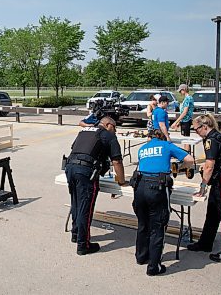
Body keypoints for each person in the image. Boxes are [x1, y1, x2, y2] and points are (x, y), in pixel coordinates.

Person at [133, 129, 194, 276]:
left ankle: (141, 257)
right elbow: (190, 160)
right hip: (157, 187)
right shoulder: (166, 145)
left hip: (139, 187)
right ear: (162, 137)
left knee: (143, 223)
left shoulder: (142, 149)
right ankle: (154, 266)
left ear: (149, 137)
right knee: (158, 226)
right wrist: (178, 167)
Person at [64, 116, 126, 255]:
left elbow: (75, 148)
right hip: (85, 172)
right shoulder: (109, 136)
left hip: (70, 168)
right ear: (109, 125)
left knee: (76, 203)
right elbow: (117, 161)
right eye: (115, 127)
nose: (115, 131)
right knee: (86, 207)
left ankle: (76, 234)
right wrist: (121, 181)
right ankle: (83, 245)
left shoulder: (85, 131)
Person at [187, 114, 221, 264]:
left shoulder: (212, 139)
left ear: (204, 126)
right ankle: (205, 243)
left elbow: (209, 166)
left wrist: (202, 186)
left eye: (196, 129)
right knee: (212, 215)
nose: (195, 132)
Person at [171, 84, 194, 152]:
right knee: (186, 139)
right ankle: (187, 154)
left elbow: (184, 112)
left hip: (186, 120)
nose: (180, 93)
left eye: (180, 91)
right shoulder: (188, 98)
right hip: (185, 120)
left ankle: (186, 156)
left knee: (186, 139)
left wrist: (176, 122)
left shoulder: (187, 98)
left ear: (183, 90)